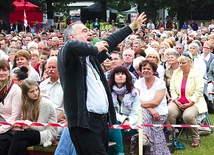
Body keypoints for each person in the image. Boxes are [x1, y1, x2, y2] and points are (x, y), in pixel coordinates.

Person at [57, 12, 147, 155]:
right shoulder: (67, 55)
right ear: (72, 37)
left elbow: (109, 43)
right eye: (85, 31)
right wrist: (95, 48)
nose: (90, 33)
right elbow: (71, 47)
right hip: (84, 123)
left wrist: (131, 27)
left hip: (101, 121)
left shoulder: (91, 59)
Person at [166, 53, 208, 147]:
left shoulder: (196, 74)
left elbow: (199, 91)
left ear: (190, 63)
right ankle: (172, 135)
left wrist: (190, 103)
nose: (181, 65)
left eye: (183, 63)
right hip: (178, 100)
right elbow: (172, 89)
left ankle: (195, 137)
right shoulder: (176, 73)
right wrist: (176, 100)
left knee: (187, 116)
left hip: (194, 102)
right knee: (168, 111)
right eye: (180, 63)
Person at [8, 78, 57, 155]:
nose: (36, 93)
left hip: (47, 134)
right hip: (35, 132)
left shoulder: (44, 103)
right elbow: (30, 123)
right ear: (25, 94)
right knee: (22, 144)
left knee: (18, 135)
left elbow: (41, 127)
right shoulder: (27, 102)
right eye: (32, 91)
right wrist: (24, 126)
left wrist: (26, 123)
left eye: (37, 89)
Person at [134, 59, 170, 155]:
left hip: (159, 113)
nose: (146, 70)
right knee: (144, 114)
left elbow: (156, 102)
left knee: (148, 121)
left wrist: (150, 108)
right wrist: (150, 109)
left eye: (148, 69)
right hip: (146, 113)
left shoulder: (160, 83)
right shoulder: (138, 83)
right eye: (144, 68)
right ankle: (146, 139)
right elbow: (135, 101)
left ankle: (145, 136)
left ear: (154, 71)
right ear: (141, 71)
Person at [108, 66, 140, 155]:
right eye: (117, 74)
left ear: (127, 76)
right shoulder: (108, 92)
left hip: (131, 124)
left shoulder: (134, 93)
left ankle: (118, 152)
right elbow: (110, 111)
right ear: (113, 77)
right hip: (114, 122)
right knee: (114, 127)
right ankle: (120, 152)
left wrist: (128, 121)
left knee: (113, 132)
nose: (120, 76)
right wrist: (123, 120)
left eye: (123, 74)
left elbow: (136, 111)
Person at [0, 60, 22, 155]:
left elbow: (15, 116)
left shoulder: (15, 90)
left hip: (11, 129)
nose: (1, 73)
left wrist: (1, 130)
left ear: (9, 71)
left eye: (4, 70)